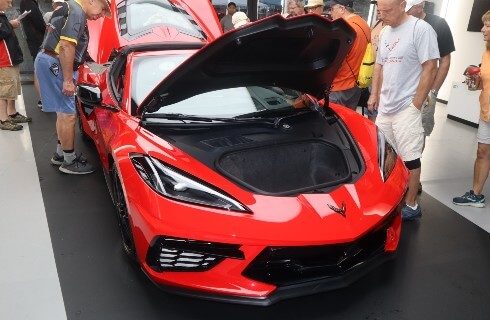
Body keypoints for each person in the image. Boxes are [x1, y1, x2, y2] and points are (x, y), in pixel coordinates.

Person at [367, 0, 439, 220]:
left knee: (410, 157)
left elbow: (431, 65)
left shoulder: (420, 29)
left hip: (406, 106)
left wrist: (416, 103)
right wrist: (374, 93)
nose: (383, 15)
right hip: (386, 106)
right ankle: (390, 194)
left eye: (387, 10)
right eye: (380, 11)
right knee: (385, 154)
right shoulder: (387, 31)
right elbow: (380, 64)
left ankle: (412, 204)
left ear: (402, 5)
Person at [34, 0, 110, 174]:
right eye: (103, 9)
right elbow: (67, 46)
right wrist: (68, 80)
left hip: (49, 60)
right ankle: (69, 161)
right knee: (68, 115)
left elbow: (74, 47)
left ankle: (60, 154)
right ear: (92, 1)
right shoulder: (76, 11)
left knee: (62, 112)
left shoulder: (68, 7)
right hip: (56, 63)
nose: (101, 15)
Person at [453, 11, 490, 208]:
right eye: (483, 25)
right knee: (482, 152)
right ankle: (476, 195)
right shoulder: (486, 53)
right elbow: (481, 86)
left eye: (488, 25)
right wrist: (474, 81)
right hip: (486, 113)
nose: (483, 29)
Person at [406, 0, 455, 144]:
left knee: (418, 134)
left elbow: (445, 60)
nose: (406, 12)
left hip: (425, 89)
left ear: (420, 7)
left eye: (409, 9)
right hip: (404, 88)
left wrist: (433, 91)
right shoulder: (404, 23)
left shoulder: (438, 24)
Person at [319, 0, 371, 110]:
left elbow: (335, 60)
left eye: (332, 9)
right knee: (346, 123)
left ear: (342, 9)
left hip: (338, 87)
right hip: (355, 86)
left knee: (332, 124)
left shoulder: (345, 29)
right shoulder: (364, 24)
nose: (330, 13)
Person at [0, 0, 32, 131]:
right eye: (8, 1)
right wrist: (10, 25)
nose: (10, 4)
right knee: (4, 90)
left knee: (12, 88)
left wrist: (8, 24)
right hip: (4, 59)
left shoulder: (2, 16)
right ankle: (3, 119)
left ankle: (12, 113)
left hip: (11, 59)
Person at [20, 0, 46, 110]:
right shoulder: (28, 2)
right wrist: (48, 28)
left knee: (38, 69)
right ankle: (43, 100)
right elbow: (39, 22)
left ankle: (44, 99)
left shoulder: (28, 2)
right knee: (39, 70)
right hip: (37, 41)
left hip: (34, 41)